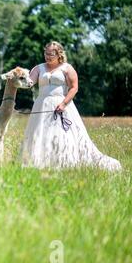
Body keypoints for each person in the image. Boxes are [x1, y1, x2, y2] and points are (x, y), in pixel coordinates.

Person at [21, 41, 122, 171]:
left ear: (59, 54)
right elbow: (29, 83)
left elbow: (74, 88)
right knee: (39, 133)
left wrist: (63, 104)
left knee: (62, 134)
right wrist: (20, 78)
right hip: (42, 105)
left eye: (51, 54)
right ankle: (38, 162)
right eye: (46, 53)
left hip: (62, 104)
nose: (48, 56)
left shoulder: (67, 68)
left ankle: (64, 162)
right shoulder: (39, 68)